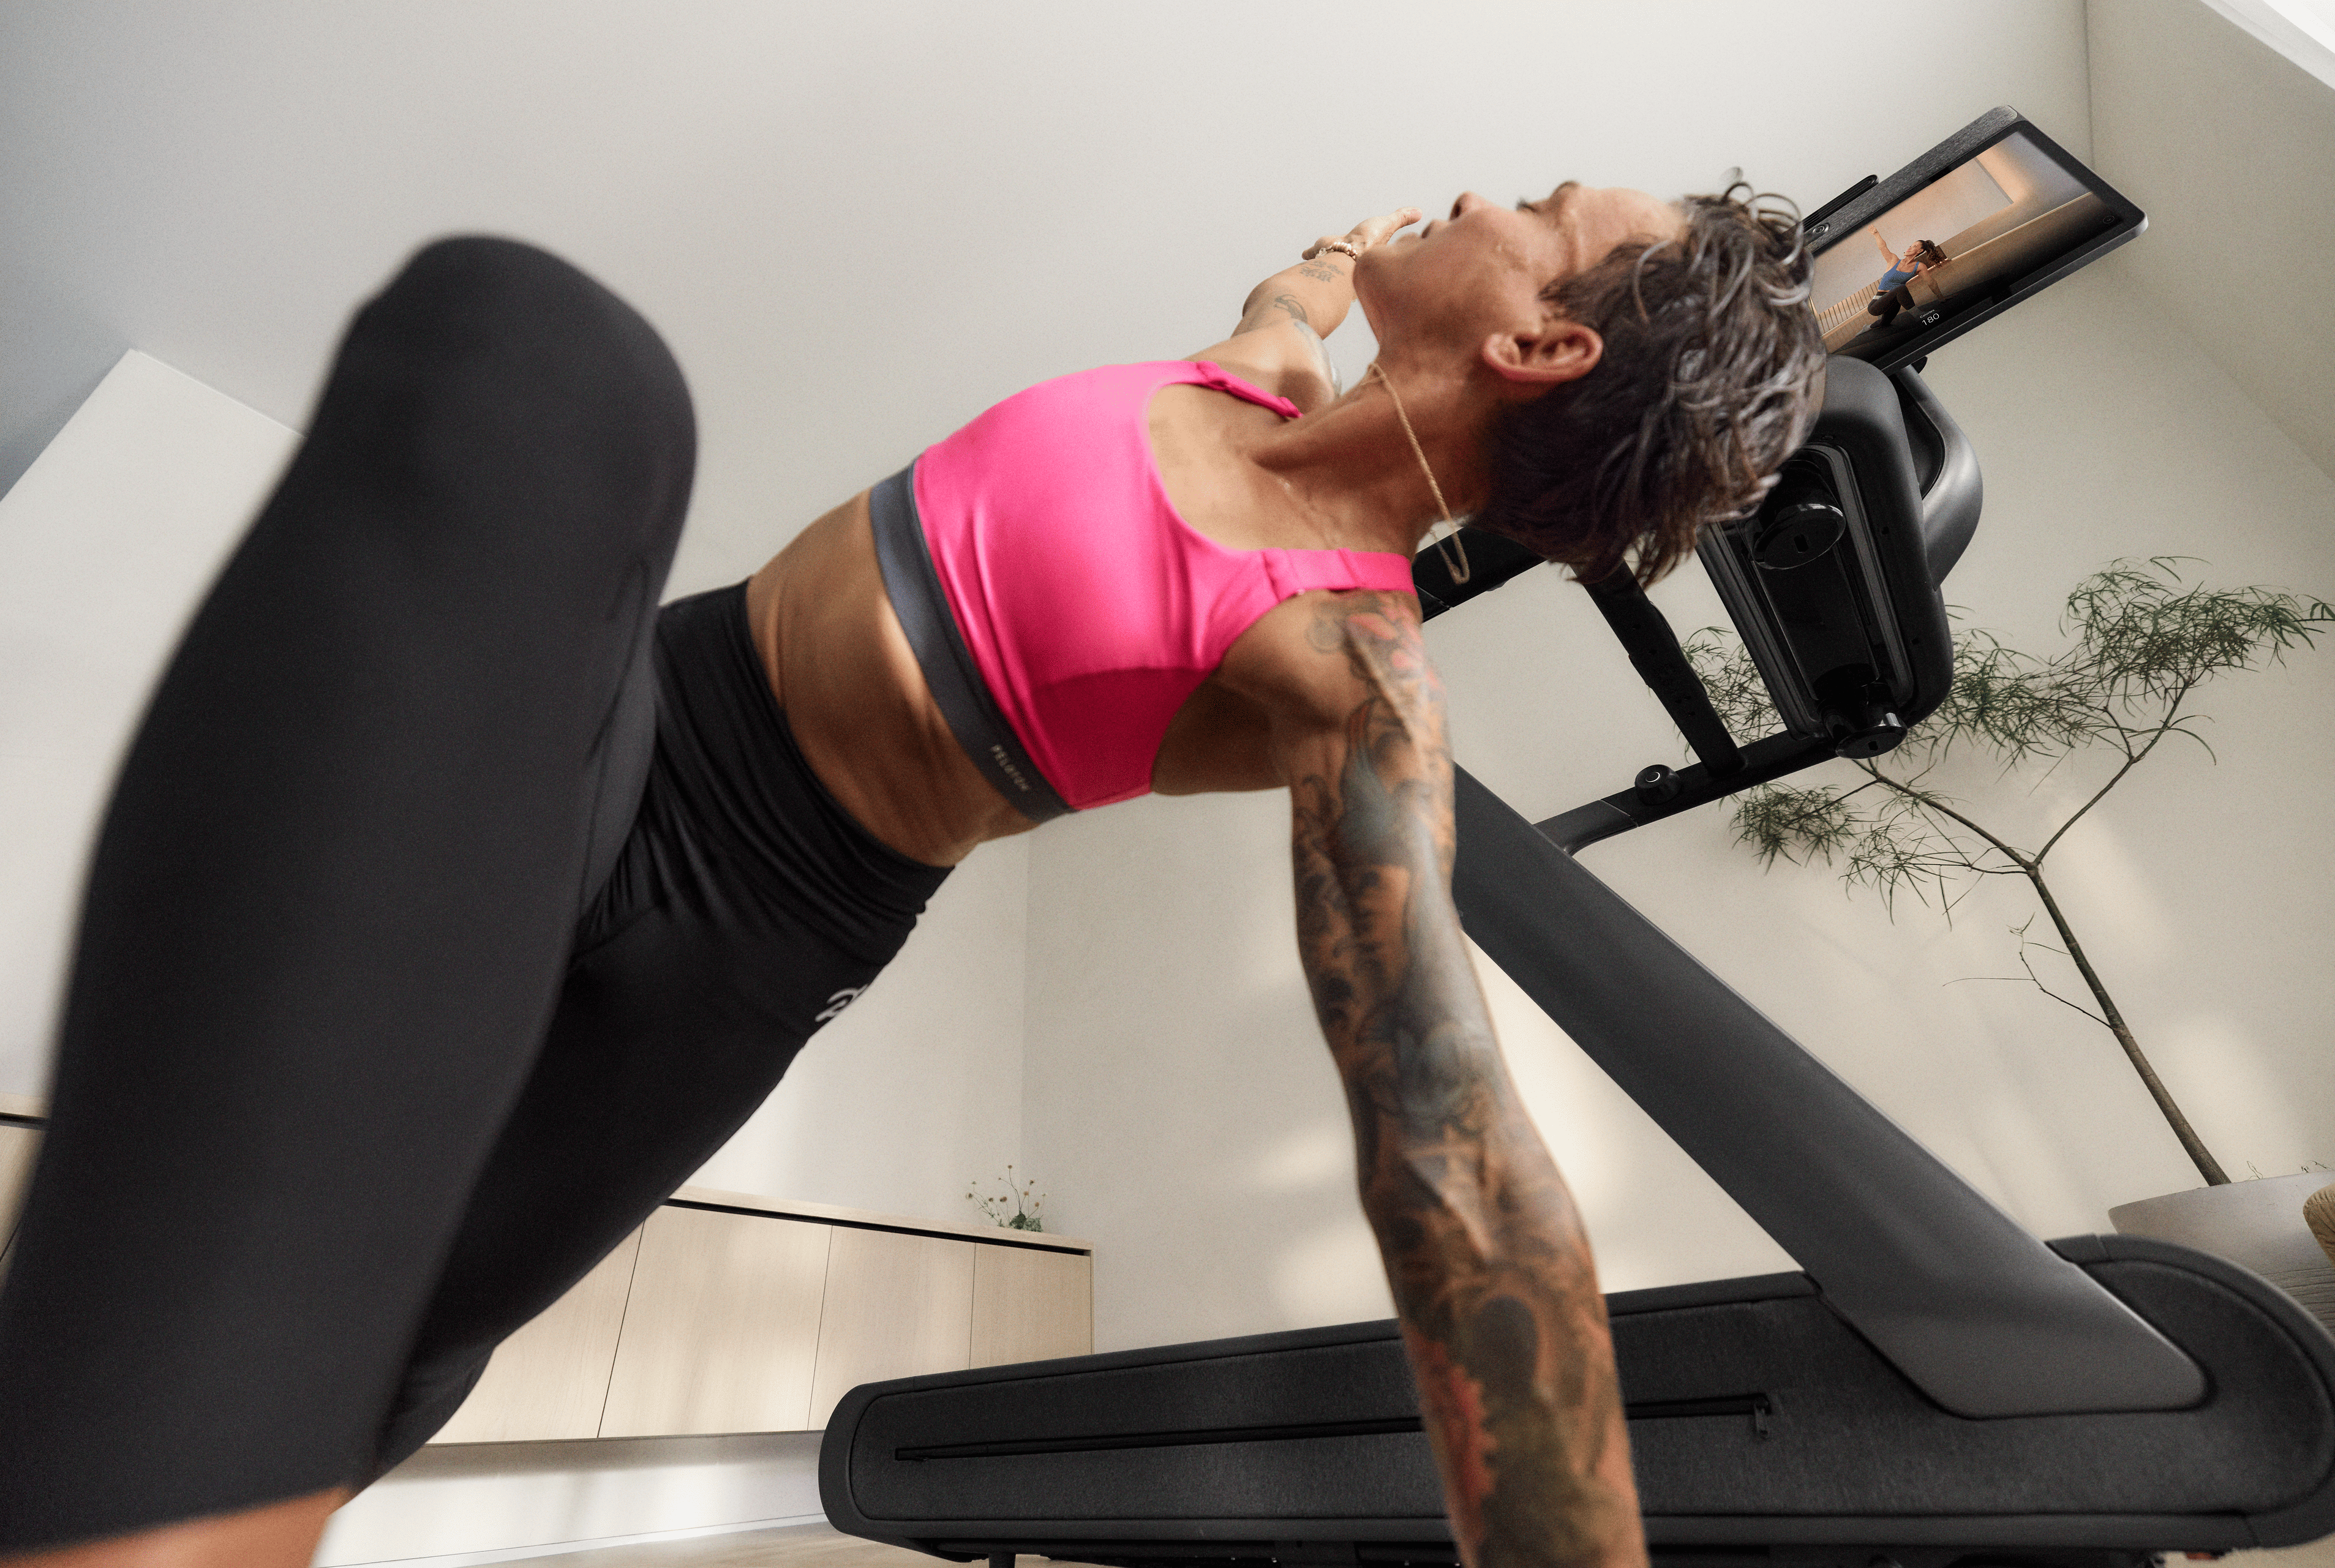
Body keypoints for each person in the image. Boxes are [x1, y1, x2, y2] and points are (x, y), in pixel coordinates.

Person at [0, 179, 1822, 1568]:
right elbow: (1287, 300)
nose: (1485, 194)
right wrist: (1324, 274)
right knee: (555, 353)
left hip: (740, 938)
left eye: (1536, 211)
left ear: (1541, 341)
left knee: (399, 1336)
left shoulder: (1350, 673)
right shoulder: (1255, 375)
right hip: (633, 710)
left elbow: (1452, 1147)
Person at [1864, 225, 1947, 328]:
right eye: (1910, 245)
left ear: (1920, 251)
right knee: (1901, 288)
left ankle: (1867, 328)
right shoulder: (1893, 260)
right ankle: (1918, 315)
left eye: (1915, 247)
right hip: (1876, 305)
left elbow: (1931, 282)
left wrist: (1941, 298)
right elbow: (1882, 247)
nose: (1910, 248)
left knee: (1883, 324)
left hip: (1894, 303)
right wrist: (1876, 234)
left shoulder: (1919, 266)